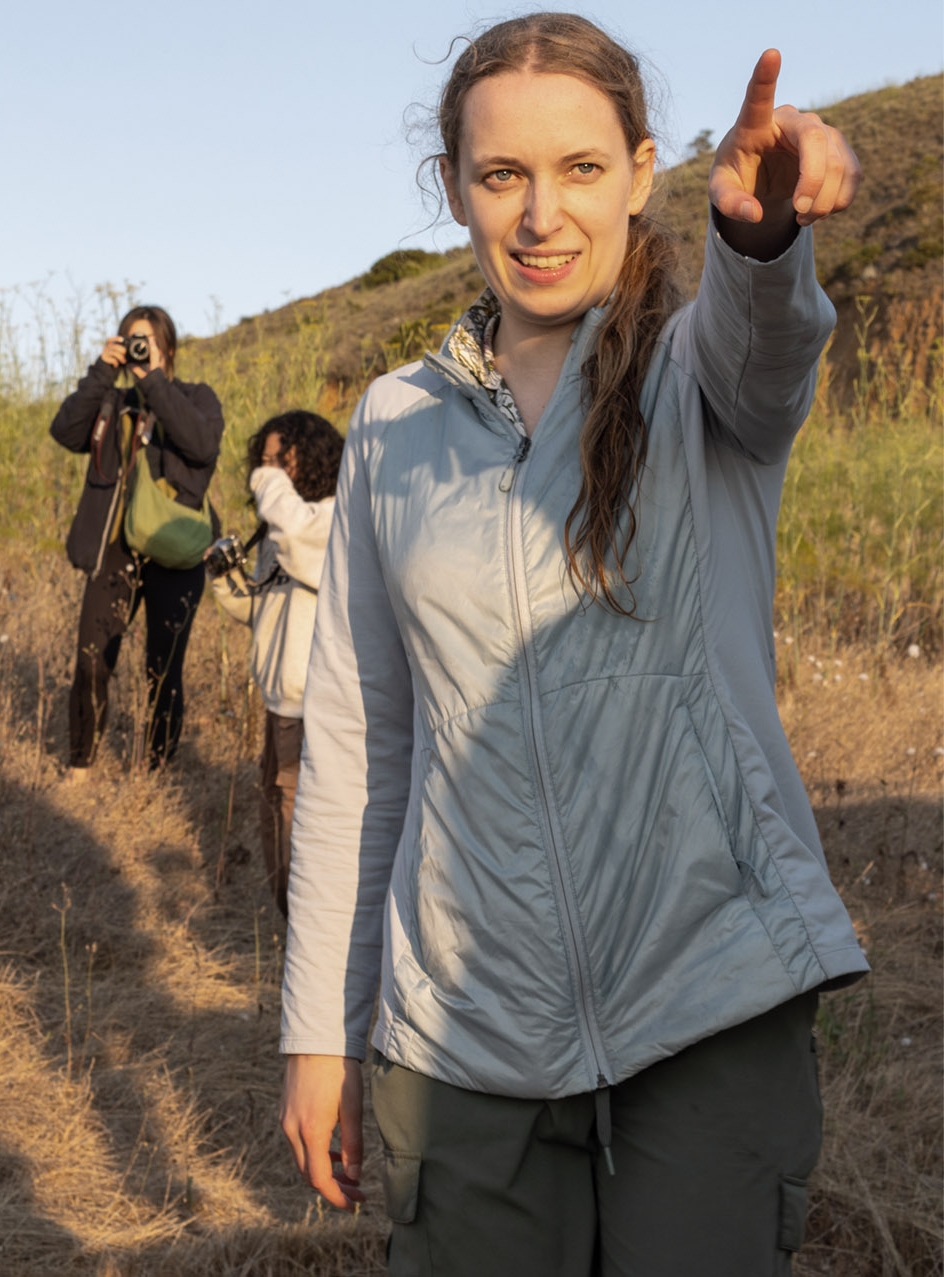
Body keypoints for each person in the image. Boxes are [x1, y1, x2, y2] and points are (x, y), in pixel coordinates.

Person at [278, 15, 867, 1274]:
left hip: (709, 997)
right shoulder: (392, 424)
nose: (541, 215)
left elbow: (770, 351)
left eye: (581, 170)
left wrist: (763, 240)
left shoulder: (696, 365)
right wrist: (320, 1029)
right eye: (503, 177)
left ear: (641, 168)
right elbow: (362, 741)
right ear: (455, 190)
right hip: (466, 1036)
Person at [50, 306, 224, 778]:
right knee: (92, 656)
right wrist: (101, 374)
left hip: (177, 549)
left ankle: (157, 770)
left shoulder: (195, 397)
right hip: (115, 549)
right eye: (130, 341)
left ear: (167, 348)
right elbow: (64, 432)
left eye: (146, 341)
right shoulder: (115, 402)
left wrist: (153, 384)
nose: (138, 349)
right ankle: (80, 765)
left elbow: (201, 447)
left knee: (163, 669)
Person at [207, 409, 340, 916]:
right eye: (261, 463)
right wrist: (223, 577)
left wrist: (268, 483)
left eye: (279, 461)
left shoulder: (331, 519)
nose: (266, 473)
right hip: (278, 701)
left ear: (312, 458)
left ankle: (306, 930)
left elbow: (304, 541)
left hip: (314, 705)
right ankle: (291, 925)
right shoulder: (283, 530)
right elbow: (261, 609)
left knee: (298, 822)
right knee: (274, 811)